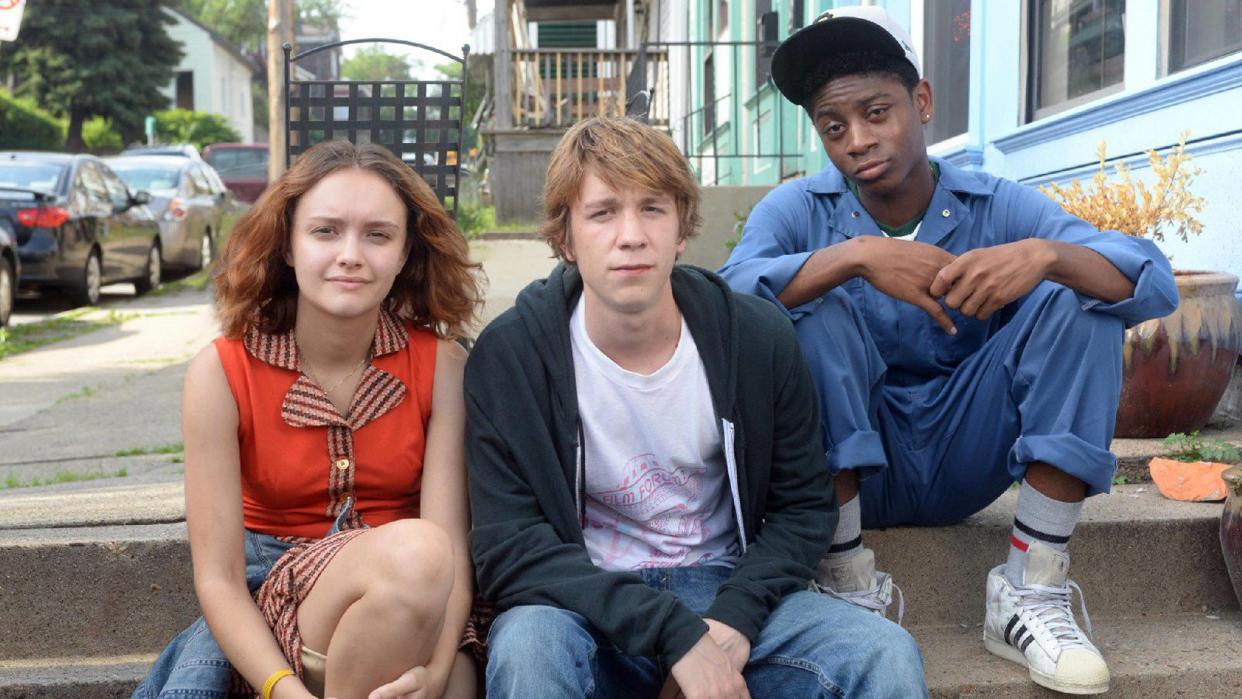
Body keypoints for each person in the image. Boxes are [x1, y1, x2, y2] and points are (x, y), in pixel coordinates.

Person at [718, 6, 1178, 696]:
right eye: (833, 127)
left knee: (1073, 290)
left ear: (922, 101)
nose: (858, 141)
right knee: (808, 303)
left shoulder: (992, 204)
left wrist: (1045, 254)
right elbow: (722, 304)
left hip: (968, 448)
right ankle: (845, 584)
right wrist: (854, 256)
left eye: (878, 112)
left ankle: (1031, 588)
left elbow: (1151, 281)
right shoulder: (796, 210)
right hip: (844, 472)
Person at [464, 116, 926, 699]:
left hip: (725, 589)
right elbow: (507, 547)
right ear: (565, 237)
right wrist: (672, 633)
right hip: (583, 603)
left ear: (682, 228)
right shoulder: (512, 355)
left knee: (883, 653)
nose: (630, 236)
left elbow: (803, 508)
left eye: (652, 209)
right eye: (603, 213)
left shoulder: (754, 337)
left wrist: (732, 622)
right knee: (527, 649)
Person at [133, 141, 485, 699]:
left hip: (420, 605)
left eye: (378, 234)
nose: (351, 254)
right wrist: (282, 689)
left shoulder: (442, 365)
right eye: (325, 232)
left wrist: (440, 669)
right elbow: (218, 580)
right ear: (289, 246)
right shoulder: (223, 372)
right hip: (275, 606)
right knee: (417, 550)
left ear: (404, 254)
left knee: (453, 659)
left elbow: (452, 552)